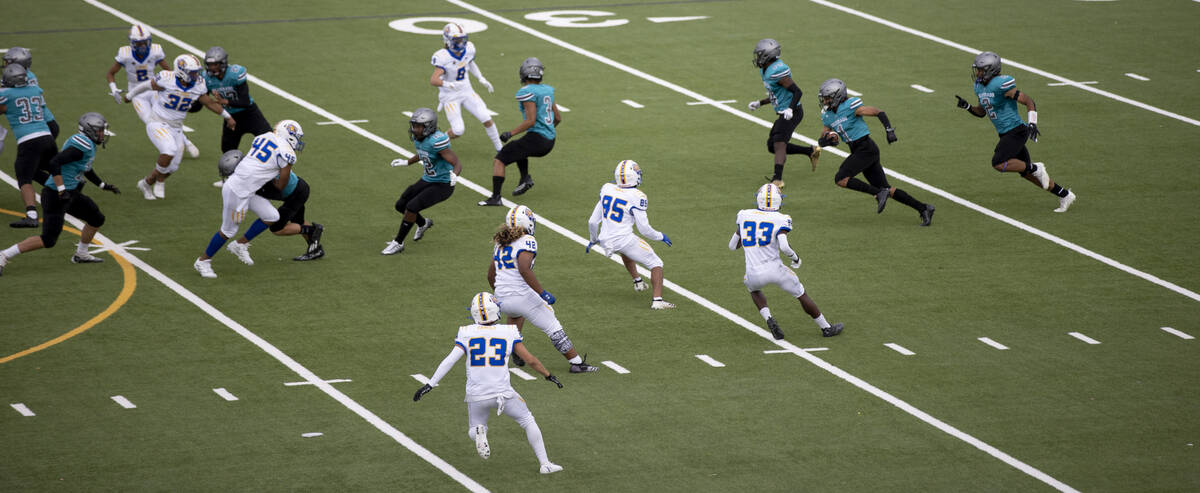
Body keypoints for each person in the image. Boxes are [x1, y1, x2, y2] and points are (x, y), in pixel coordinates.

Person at [411, 292, 564, 474]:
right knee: (527, 420)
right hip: (503, 393)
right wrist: (547, 374)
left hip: (476, 395)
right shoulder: (508, 332)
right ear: (495, 311)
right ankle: (545, 464)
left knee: (474, 428)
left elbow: (450, 360)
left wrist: (430, 384)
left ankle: (479, 431)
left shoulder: (467, 333)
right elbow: (530, 360)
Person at [0, 113, 121, 276]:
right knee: (48, 240)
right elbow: (54, 162)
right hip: (55, 195)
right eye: (100, 130)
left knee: (96, 218)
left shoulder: (87, 144)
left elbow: (86, 167)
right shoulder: (81, 146)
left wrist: (102, 185)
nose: (103, 134)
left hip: (69, 193)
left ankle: (81, 254)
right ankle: (4, 255)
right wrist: (62, 189)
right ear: (90, 130)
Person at [955, 51, 1076, 212]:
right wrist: (968, 107)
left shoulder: (1001, 84)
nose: (977, 73)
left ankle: (1036, 167)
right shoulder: (978, 86)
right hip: (1005, 133)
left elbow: (1028, 101)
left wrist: (1032, 123)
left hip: (1016, 130)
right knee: (1026, 173)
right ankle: (1064, 194)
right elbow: (982, 112)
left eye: (981, 70)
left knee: (998, 162)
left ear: (991, 70)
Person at [489, 205, 598, 373]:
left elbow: (490, 275)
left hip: (501, 299)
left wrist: (502, 292)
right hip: (520, 296)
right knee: (551, 323)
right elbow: (524, 268)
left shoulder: (500, 242)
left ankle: (513, 347)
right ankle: (576, 362)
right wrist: (542, 293)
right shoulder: (527, 240)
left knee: (516, 314)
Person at [729, 183, 843, 340]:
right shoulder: (781, 219)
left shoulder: (744, 215)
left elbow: (732, 246)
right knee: (801, 294)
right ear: (778, 201)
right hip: (776, 270)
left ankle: (769, 318)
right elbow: (784, 246)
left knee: (753, 289)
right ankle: (826, 327)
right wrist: (795, 258)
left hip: (753, 271)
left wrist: (750, 238)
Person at [192, 120, 303, 278]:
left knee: (272, 216)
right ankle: (203, 261)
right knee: (228, 230)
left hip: (245, 187)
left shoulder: (264, 136)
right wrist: (276, 177)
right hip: (238, 191)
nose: (297, 141)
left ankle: (240, 244)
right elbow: (281, 185)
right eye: (296, 137)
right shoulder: (287, 153)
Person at [816, 78, 935, 226]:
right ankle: (924, 208)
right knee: (887, 189)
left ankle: (878, 194)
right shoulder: (827, 115)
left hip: (866, 148)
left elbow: (879, 112)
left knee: (840, 178)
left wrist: (889, 130)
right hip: (858, 150)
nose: (825, 101)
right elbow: (822, 139)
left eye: (827, 98)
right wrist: (828, 141)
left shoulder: (851, 106)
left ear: (837, 96)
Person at [125, 54, 235, 201]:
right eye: (192, 72)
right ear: (181, 71)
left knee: (174, 166)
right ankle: (158, 180)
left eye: (196, 71)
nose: (196, 75)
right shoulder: (167, 78)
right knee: (169, 150)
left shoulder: (198, 84)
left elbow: (209, 103)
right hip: (157, 121)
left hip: (176, 127)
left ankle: (146, 183)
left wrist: (227, 116)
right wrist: (130, 95)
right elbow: (146, 86)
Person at [585, 159, 675, 309]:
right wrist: (660, 236)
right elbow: (644, 229)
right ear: (633, 176)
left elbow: (593, 222)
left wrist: (594, 239)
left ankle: (638, 281)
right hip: (623, 239)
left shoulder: (607, 188)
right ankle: (658, 301)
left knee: (626, 252)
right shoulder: (637, 196)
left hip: (606, 239)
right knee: (656, 263)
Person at [105, 25, 199, 159]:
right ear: (132, 43)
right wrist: (113, 89)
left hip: (154, 89)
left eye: (145, 42)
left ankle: (186, 142)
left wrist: (174, 86)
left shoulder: (155, 51)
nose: (143, 46)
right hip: (137, 93)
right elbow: (110, 73)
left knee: (166, 116)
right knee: (150, 121)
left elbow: (169, 71)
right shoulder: (124, 54)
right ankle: (167, 148)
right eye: (139, 43)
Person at [478, 57, 560, 206]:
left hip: (538, 138)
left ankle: (496, 197)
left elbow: (530, 121)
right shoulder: (548, 90)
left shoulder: (526, 91)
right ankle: (525, 178)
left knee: (500, 159)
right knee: (519, 148)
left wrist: (510, 133)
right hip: (550, 139)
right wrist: (548, 131)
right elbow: (558, 118)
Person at [217, 150, 324, 261]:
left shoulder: (256, 174)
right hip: (297, 189)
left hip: (296, 193)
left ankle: (312, 230)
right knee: (298, 222)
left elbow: (275, 185)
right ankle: (315, 249)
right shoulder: (252, 167)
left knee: (277, 228)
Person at [383, 108, 461, 255]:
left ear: (429, 126)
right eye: (414, 125)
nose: (414, 129)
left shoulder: (437, 141)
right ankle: (423, 223)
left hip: (442, 184)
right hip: (428, 179)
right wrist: (407, 162)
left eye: (418, 126)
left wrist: (455, 175)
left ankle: (398, 242)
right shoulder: (420, 139)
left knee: (412, 207)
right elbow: (422, 153)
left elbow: (456, 162)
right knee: (401, 205)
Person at [746, 38, 820, 189]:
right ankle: (810, 151)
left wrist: (790, 109)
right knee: (771, 146)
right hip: (784, 112)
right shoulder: (765, 70)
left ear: (767, 55)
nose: (757, 58)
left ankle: (777, 180)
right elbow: (776, 95)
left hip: (792, 113)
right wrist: (760, 103)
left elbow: (797, 92)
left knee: (779, 144)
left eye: (760, 55)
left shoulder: (777, 71)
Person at [203, 46, 273, 187]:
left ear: (223, 63)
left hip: (249, 114)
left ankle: (271, 174)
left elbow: (245, 101)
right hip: (231, 116)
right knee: (227, 148)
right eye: (210, 65)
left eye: (215, 64)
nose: (212, 68)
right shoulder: (206, 79)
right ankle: (231, 178)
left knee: (270, 140)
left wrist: (224, 101)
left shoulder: (235, 74)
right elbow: (200, 103)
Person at [430, 23, 502, 152]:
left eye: (462, 39)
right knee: (458, 130)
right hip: (450, 95)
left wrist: (481, 78)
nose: (460, 43)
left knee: (486, 117)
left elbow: (470, 62)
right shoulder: (442, 56)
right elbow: (434, 80)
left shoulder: (469, 48)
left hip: (466, 90)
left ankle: (500, 149)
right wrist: (447, 84)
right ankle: (438, 142)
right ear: (447, 40)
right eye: (457, 40)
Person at [0, 63, 56, 228]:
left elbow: (4, 106)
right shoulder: (35, 90)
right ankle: (69, 195)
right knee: (51, 170)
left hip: (28, 140)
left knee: (24, 177)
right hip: (47, 137)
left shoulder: (6, 94)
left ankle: (31, 215)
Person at [4, 47, 58, 140]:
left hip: (43, 124)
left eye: (9, 62)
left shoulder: (19, 78)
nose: (6, 64)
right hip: (46, 120)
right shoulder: (28, 75)